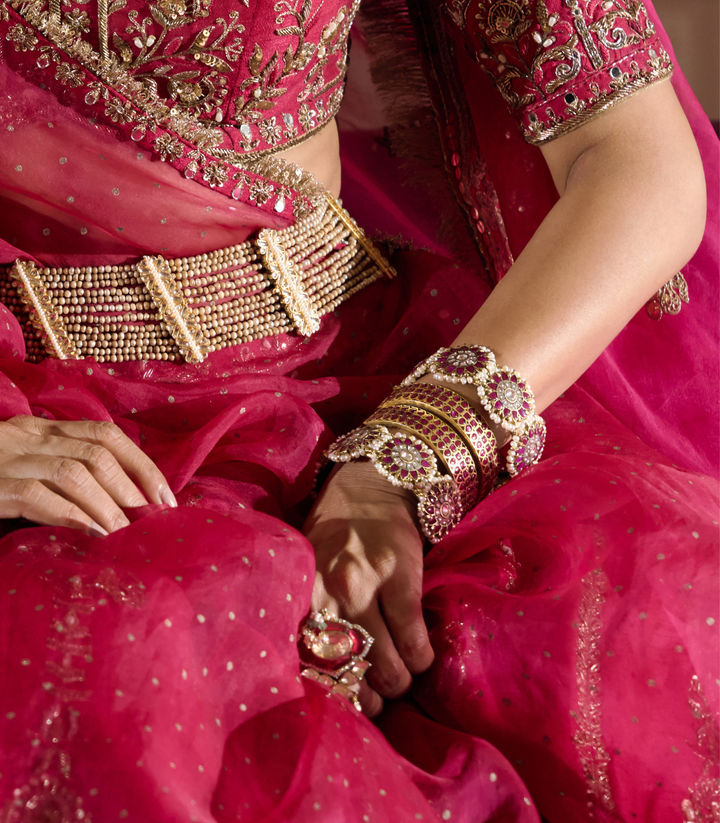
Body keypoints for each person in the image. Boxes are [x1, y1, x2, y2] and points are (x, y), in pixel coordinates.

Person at [0, 0, 716, 819]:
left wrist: (408, 459)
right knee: (114, 670)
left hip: (370, 377)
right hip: (52, 423)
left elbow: (633, 156)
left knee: (657, 609)